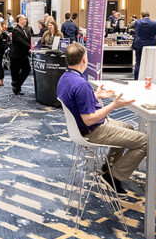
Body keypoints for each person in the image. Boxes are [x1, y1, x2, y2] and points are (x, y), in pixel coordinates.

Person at [57, 43, 148, 190]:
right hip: (92, 130)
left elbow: (76, 102)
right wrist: (113, 106)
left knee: (128, 127)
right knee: (145, 142)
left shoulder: (65, 78)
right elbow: (89, 119)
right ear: (84, 60)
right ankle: (114, 176)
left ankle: (109, 166)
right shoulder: (81, 84)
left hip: (82, 128)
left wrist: (95, 95)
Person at [130, 11, 156, 79]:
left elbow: (134, 29)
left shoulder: (137, 22)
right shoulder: (155, 23)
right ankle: (150, 78)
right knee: (151, 62)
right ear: (149, 15)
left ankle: (137, 78)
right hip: (151, 44)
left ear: (141, 15)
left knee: (138, 62)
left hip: (139, 44)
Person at [10, 15, 33, 96]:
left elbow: (29, 40)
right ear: (20, 20)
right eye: (24, 19)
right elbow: (20, 42)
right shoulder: (16, 30)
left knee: (27, 69)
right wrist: (30, 47)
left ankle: (16, 85)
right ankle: (17, 88)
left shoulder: (27, 29)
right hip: (16, 55)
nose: (25, 20)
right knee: (16, 72)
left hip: (23, 54)